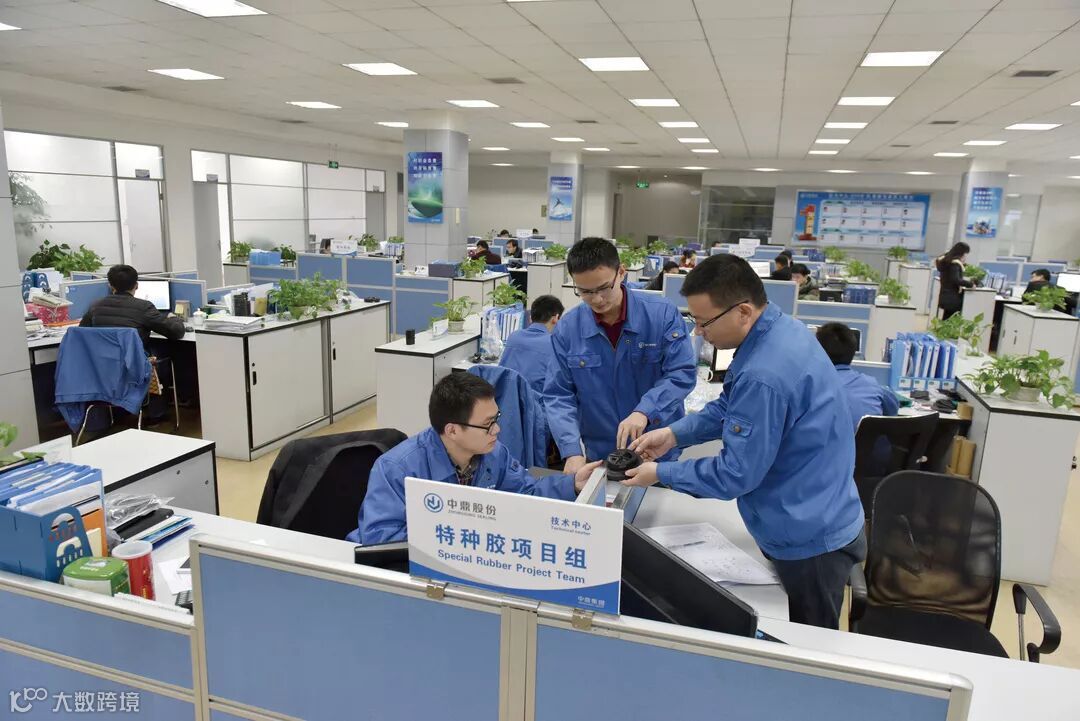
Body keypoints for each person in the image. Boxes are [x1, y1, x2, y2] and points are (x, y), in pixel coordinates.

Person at [624, 254, 866, 629]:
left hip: (810, 538)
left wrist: (660, 473)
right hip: (820, 506)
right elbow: (729, 407)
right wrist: (673, 434)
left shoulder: (765, 372)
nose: (698, 333)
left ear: (743, 311)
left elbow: (735, 474)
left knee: (808, 645)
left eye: (704, 322)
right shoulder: (780, 332)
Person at [350, 373, 601, 544]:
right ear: (452, 430)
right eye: (487, 424)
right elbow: (379, 537)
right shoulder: (397, 468)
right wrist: (463, 532)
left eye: (496, 418)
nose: (497, 430)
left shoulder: (493, 453)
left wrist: (573, 484)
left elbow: (525, 492)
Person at [545, 237, 697, 475]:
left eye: (604, 288)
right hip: (601, 454)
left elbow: (682, 373)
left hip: (655, 449)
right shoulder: (568, 329)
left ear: (622, 273)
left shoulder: (661, 315)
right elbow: (559, 394)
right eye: (585, 292)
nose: (597, 299)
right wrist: (571, 451)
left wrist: (645, 411)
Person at [816, 322, 899, 433]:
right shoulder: (872, 385)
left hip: (832, 444)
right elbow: (893, 411)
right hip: (869, 444)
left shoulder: (814, 388)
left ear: (818, 353)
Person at [79, 264, 186, 349]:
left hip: (103, 365)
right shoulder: (144, 307)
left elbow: (81, 333)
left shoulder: (95, 306)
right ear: (136, 285)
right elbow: (176, 332)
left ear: (110, 285)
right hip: (133, 365)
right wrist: (173, 318)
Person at [499, 295, 563, 398]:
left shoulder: (514, 336)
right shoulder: (555, 344)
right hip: (536, 403)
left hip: (507, 399)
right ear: (555, 318)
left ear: (530, 318)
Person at [935, 242, 973, 319]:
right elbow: (956, 279)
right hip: (952, 297)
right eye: (965, 254)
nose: (965, 256)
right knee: (950, 320)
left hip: (946, 294)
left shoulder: (946, 261)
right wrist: (970, 284)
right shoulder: (954, 264)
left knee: (946, 319)